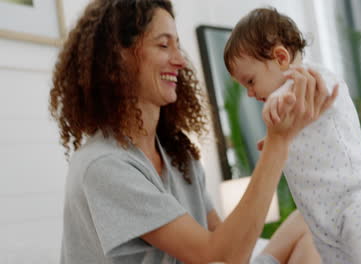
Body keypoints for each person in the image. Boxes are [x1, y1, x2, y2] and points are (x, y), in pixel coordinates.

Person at [49, 1, 336, 263]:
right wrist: (278, 142)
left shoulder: (178, 155)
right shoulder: (104, 166)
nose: (181, 60)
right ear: (116, 60)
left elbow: (227, 242)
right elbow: (222, 253)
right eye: (164, 46)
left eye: (177, 46)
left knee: (310, 221)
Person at [224, 7, 361, 264]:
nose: (249, 93)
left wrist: (273, 108)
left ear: (280, 58)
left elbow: (299, 99)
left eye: (250, 81)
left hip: (353, 201)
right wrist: (273, 141)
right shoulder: (292, 101)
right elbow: (302, 130)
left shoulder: (311, 78)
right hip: (321, 215)